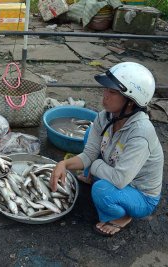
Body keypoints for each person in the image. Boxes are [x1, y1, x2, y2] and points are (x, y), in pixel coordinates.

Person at [50, 62, 163, 237]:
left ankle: (123, 216)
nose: (105, 96)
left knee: (101, 190)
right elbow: (89, 153)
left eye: (112, 92)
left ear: (131, 102)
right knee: (90, 134)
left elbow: (119, 179)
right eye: (106, 90)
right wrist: (63, 164)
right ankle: (92, 177)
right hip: (114, 168)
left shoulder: (141, 134)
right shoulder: (106, 117)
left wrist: (94, 166)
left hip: (140, 194)